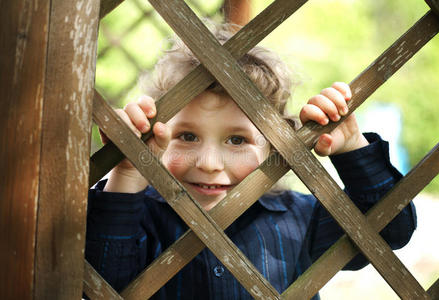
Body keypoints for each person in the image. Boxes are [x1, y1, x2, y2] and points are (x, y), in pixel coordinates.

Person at [85, 24, 416, 299]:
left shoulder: (299, 219)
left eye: (237, 140)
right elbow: (100, 283)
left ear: (274, 145)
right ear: (154, 137)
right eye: (187, 136)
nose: (210, 163)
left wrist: (352, 148)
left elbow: (391, 231)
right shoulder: (137, 217)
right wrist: (127, 173)